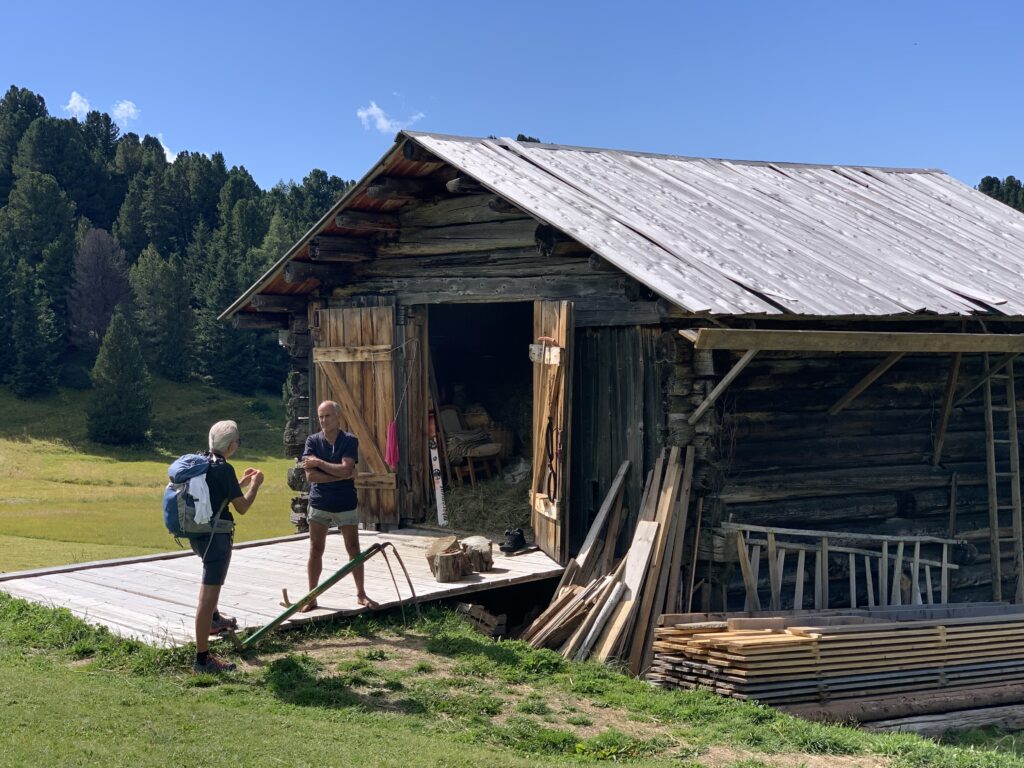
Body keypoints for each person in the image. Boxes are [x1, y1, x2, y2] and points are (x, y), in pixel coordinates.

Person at [191, 420, 264, 674]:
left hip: (197, 535)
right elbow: (241, 507)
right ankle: (202, 661)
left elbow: (215, 493)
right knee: (207, 596)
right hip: (216, 539)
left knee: (209, 592)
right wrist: (255, 486)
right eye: (238, 442)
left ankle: (214, 620)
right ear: (232, 445)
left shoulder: (201, 461)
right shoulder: (224, 468)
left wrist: (240, 482)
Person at [301, 400, 377, 611]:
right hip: (319, 503)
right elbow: (310, 477)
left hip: (345, 503)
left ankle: (361, 594)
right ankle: (312, 596)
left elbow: (346, 470)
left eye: (328, 416)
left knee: (353, 549)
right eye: (321, 416)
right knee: (316, 549)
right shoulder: (312, 441)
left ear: (338, 417)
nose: (324, 420)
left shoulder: (349, 440)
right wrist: (342, 474)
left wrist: (319, 463)